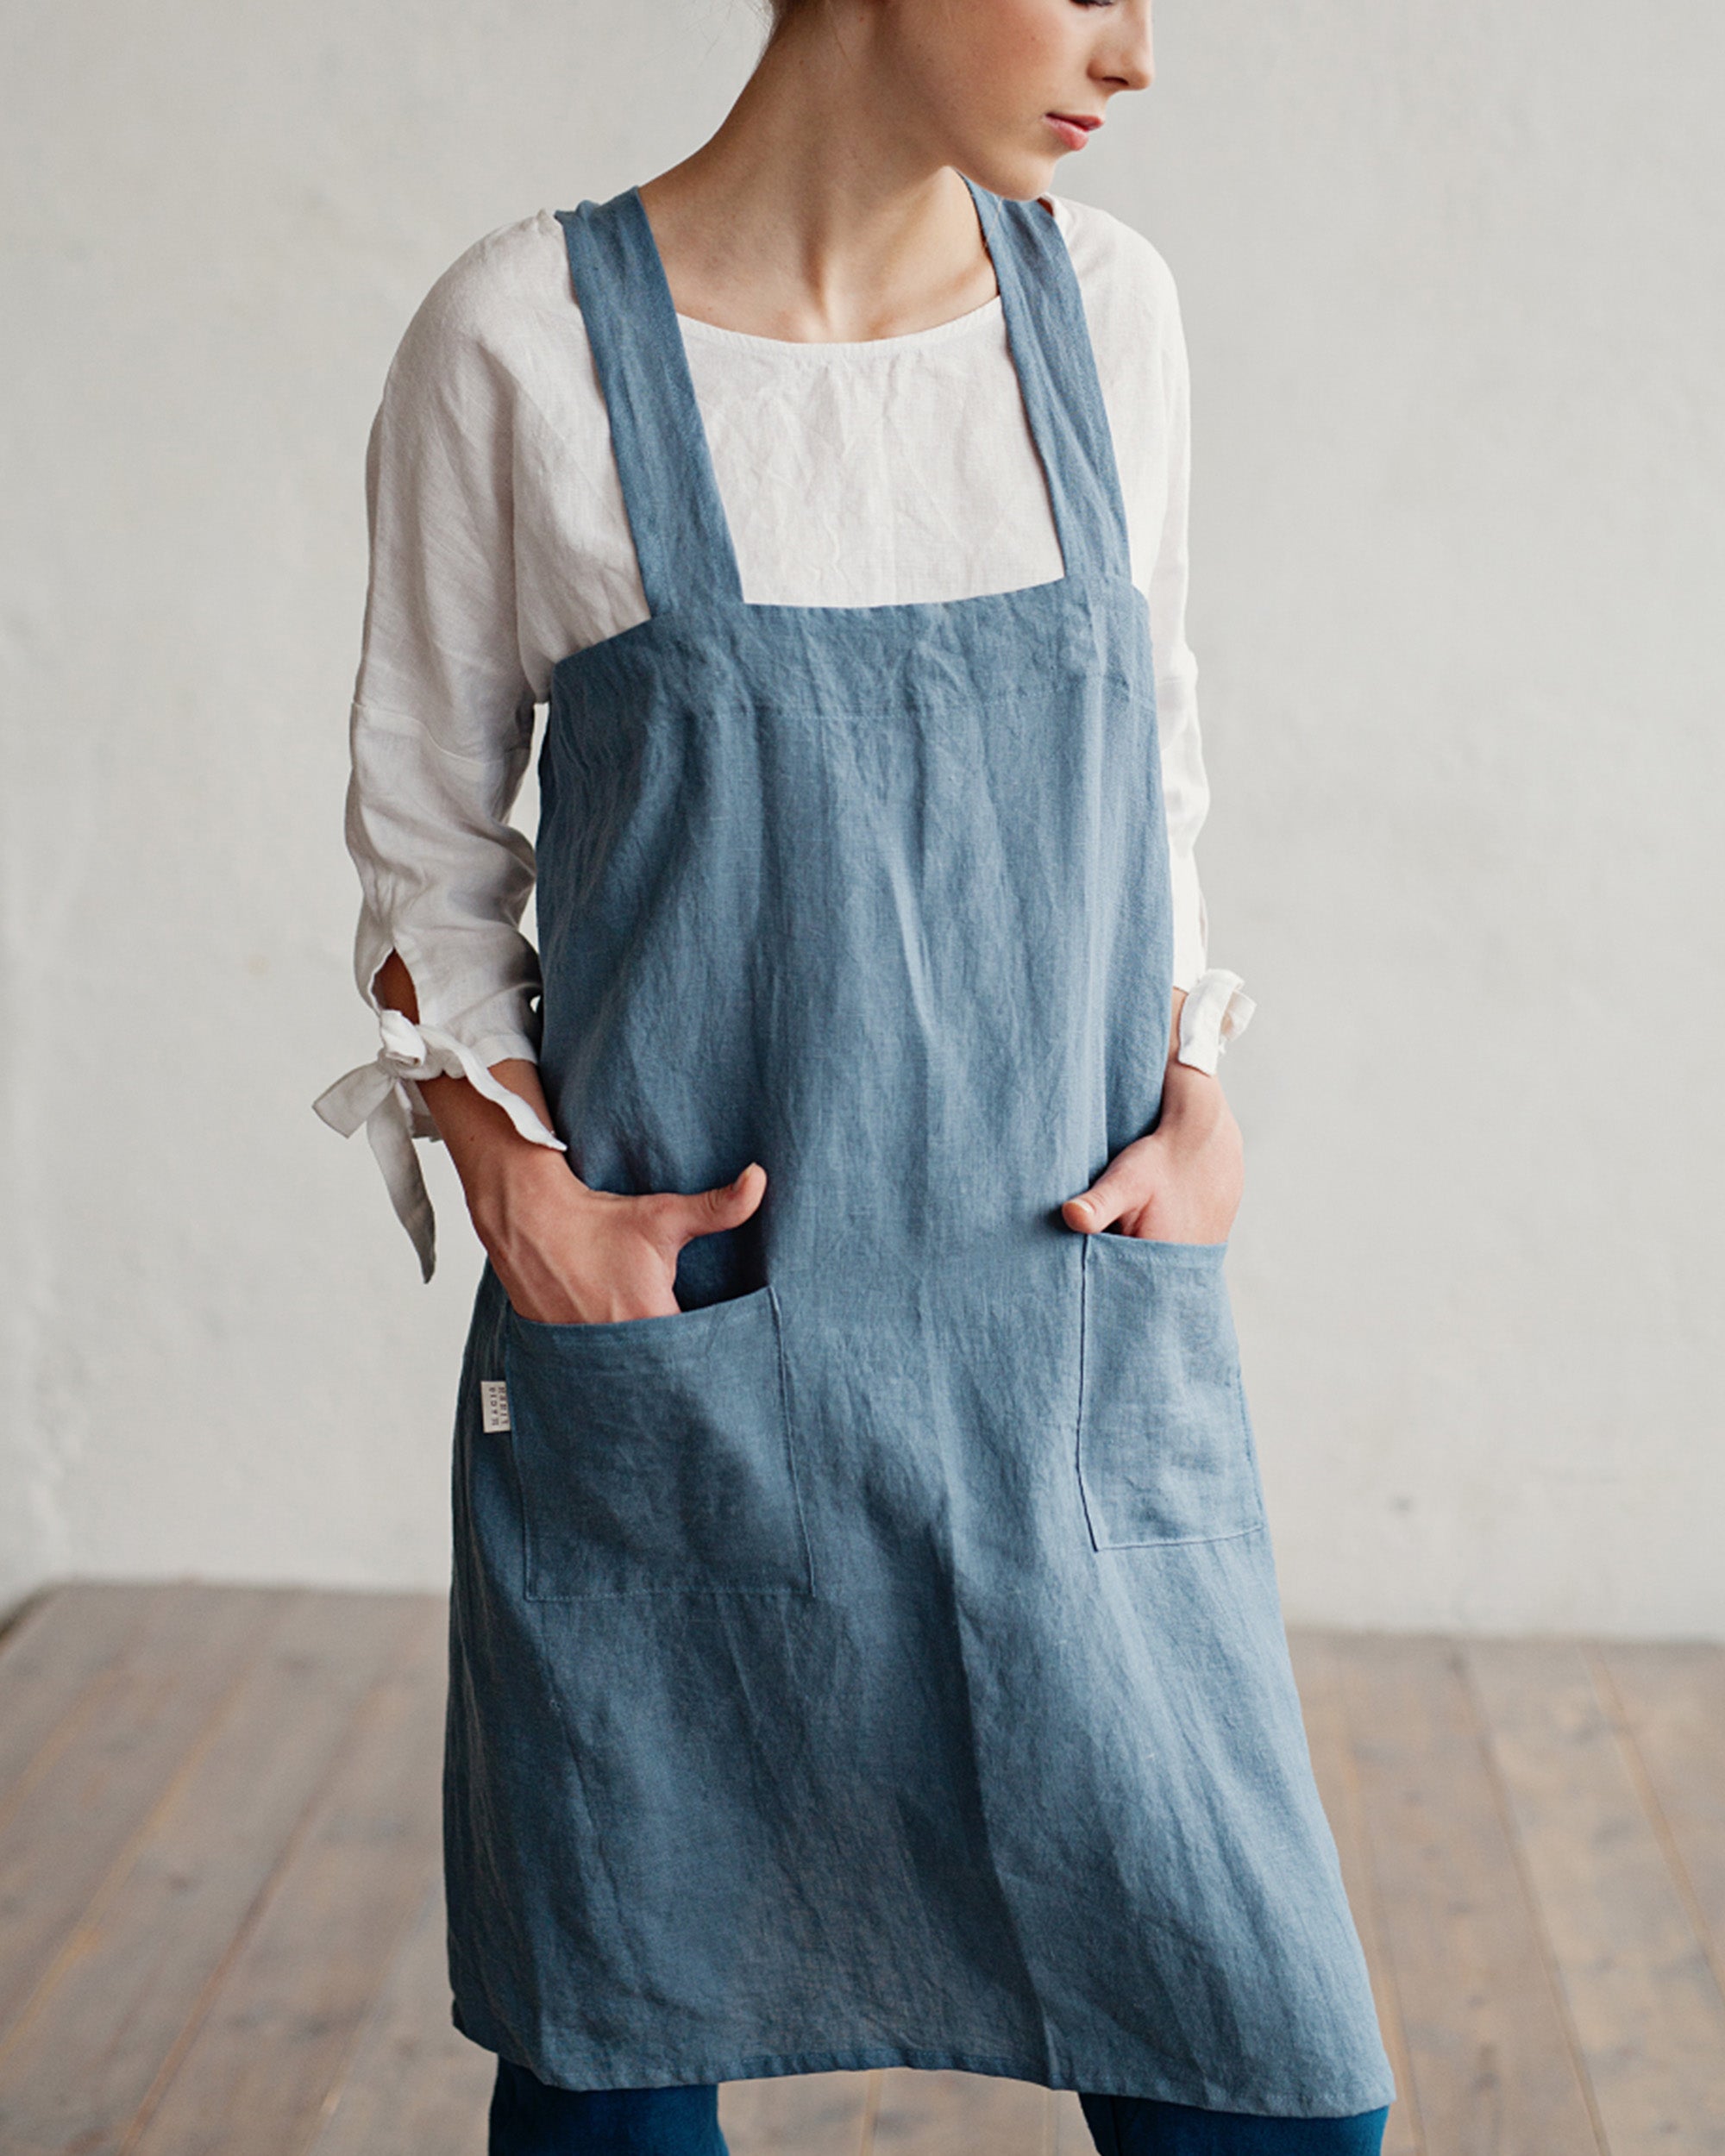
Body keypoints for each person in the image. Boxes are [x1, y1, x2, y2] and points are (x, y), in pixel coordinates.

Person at [315, 2, 1397, 2150]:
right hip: (699, 1367)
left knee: (1271, 2090)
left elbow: (1148, 761)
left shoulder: (1107, 315)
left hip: (1062, 1357)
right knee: (620, 2063)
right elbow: (427, 856)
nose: (1137, 50)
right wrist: (521, 1194)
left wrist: (1200, 1089)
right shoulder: (520, 337)